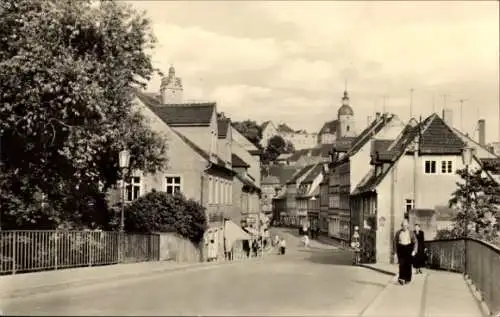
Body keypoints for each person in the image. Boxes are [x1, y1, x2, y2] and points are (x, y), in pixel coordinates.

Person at [393, 218, 418, 285]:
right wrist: (395, 252)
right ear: (401, 225)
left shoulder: (411, 232)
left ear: (408, 226)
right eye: (403, 225)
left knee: (408, 265)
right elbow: (395, 242)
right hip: (401, 249)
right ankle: (401, 278)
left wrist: (414, 251)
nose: (404, 227)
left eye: (406, 225)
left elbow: (415, 242)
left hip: (408, 248)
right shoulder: (398, 232)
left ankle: (408, 278)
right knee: (401, 264)